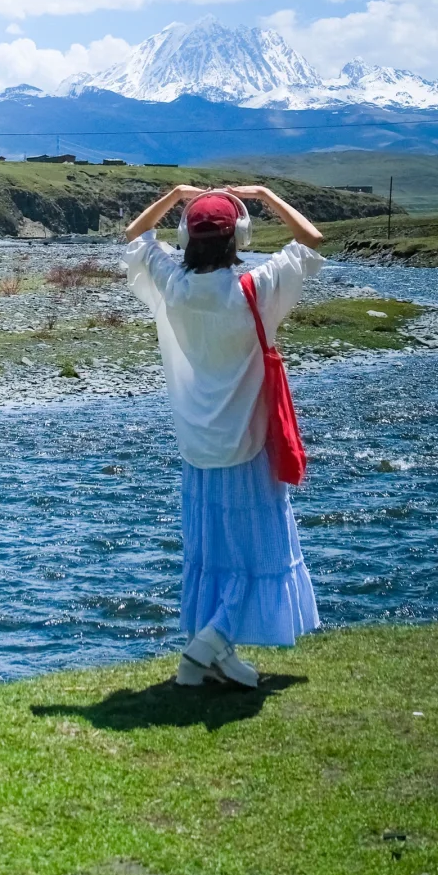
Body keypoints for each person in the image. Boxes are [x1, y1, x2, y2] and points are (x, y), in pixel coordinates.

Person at [124, 182, 324, 689]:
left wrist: (175, 193)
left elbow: (135, 235)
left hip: (197, 446)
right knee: (258, 551)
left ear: (186, 237)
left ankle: (213, 654)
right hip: (248, 442)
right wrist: (265, 194)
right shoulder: (255, 289)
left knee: (213, 551)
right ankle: (209, 642)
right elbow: (312, 239)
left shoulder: (172, 285)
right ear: (239, 237)